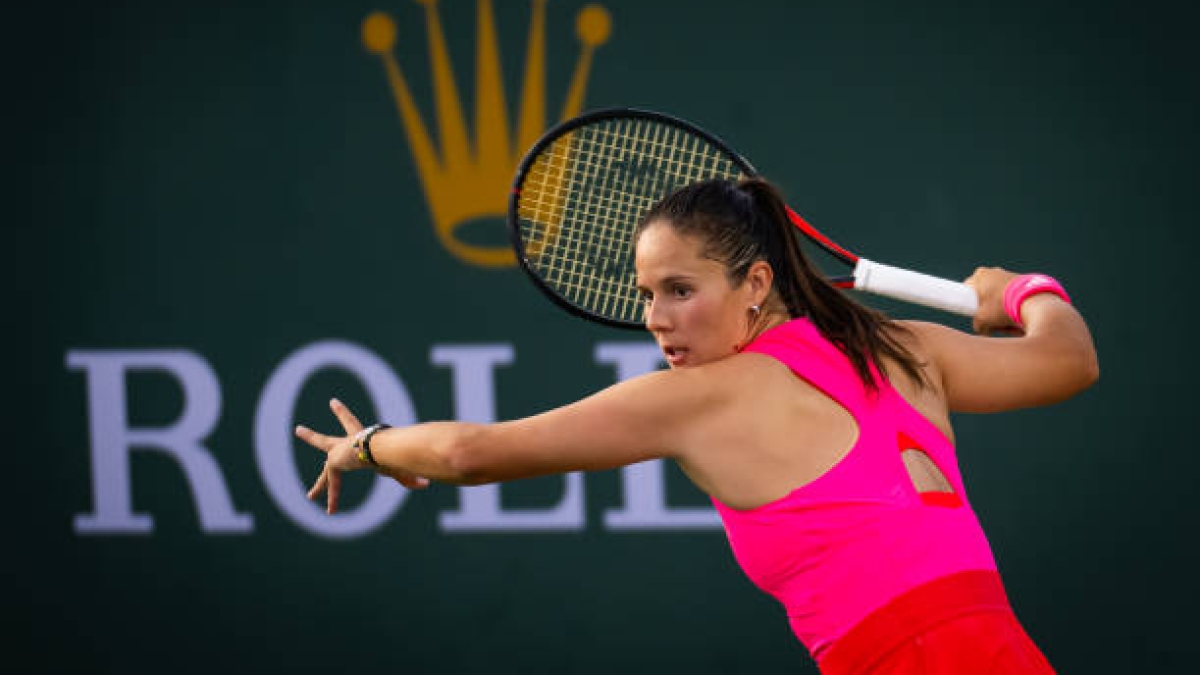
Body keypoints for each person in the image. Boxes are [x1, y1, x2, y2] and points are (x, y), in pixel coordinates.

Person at [295, 177, 1098, 673]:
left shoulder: (696, 398)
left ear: (755, 282)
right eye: (648, 294)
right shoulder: (908, 348)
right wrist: (1024, 290)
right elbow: (1069, 358)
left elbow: (468, 453)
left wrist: (366, 444)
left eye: (679, 290)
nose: (654, 318)